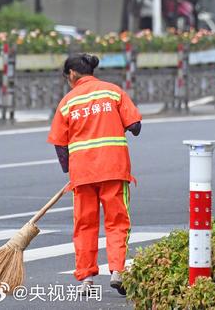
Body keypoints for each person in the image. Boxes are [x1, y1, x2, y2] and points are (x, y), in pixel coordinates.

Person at [47, 53, 142, 296]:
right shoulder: (112, 92)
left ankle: (87, 279)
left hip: (83, 174)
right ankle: (117, 271)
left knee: (85, 225)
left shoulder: (67, 102)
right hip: (114, 169)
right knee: (117, 221)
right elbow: (136, 126)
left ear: (71, 74)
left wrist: (69, 169)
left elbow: (60, 144)